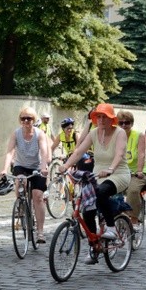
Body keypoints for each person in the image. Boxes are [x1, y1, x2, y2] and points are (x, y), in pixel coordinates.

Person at [59, 103, 130, 264]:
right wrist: (65, 166)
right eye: (98, 116)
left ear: (111, 119)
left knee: (102, 192)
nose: (101, 119)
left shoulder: (119, 133)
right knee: (87, 210)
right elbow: (78, 152)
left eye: (104, 116)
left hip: (118, 173)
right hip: (97, 174)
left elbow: (119, 154)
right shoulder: (93, 133)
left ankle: (111, 228)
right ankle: (94, 247)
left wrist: (111, 168)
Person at [0, 106, 50, 244]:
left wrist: (43, 167)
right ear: (20, 120)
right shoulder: (16, 134)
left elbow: (44, 152)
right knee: (20, 181)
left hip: (37, 167)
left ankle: (40, 232)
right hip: (20, 165)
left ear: (34, 120)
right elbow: (10, 152)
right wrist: (4, 168)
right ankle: (21, 203)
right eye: (23, 118)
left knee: (38, 196)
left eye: (29, 118)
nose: (26, 121)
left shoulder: (40, 134)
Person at [117, 110, 146, 230]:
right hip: (120, 171)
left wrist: (139, 170)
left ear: (132, 123)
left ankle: (134, 220)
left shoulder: (138, 135)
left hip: (137, 172)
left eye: (127, 122)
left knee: (133, 191)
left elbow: (141, 154)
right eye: (121, 123)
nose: (124, 125)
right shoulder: (115, 135)